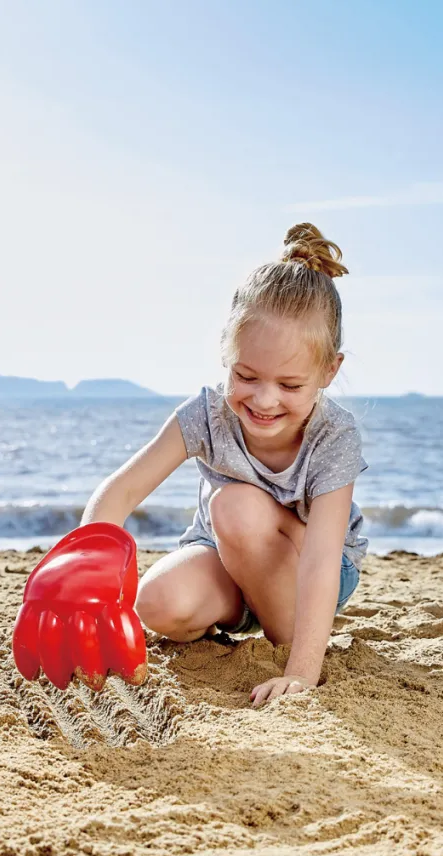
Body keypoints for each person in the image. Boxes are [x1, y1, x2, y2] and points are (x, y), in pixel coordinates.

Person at [81, 223, 369, 706]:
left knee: (235, 506)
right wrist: (87, 578)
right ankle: (247, 609)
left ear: (329, 370)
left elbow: (322, 558)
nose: (264, 400)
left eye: (290, 385)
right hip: (227, 555)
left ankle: (287, 638)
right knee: (157, 603)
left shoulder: (334, 436)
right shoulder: (207, 415)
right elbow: (122, 491)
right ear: (225, 352)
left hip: (314, 568)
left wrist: (301, 671)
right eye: (246, 375)